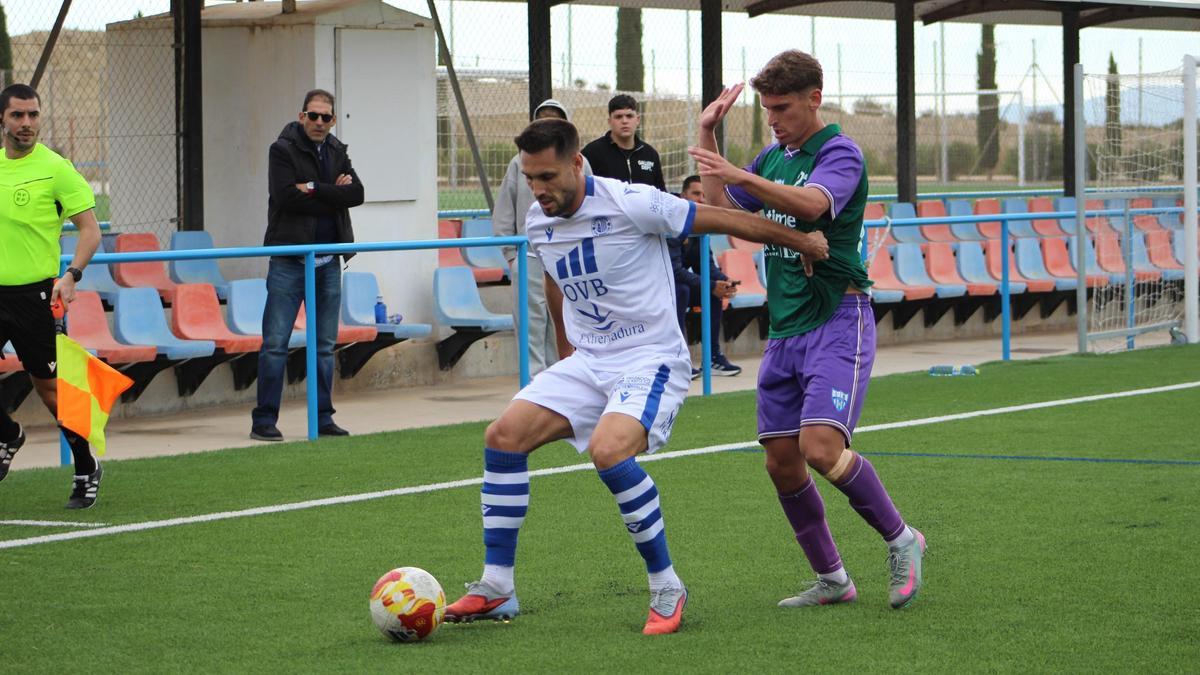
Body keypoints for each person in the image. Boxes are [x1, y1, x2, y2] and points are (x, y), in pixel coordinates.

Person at [444, 118, 829, 635]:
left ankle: (667, 586)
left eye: (548, 176)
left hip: (649, 359)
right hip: (588, 361)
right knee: (503, 438)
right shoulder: (539, 220)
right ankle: (497, 587)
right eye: (530, 178)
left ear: (577, 163)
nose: (539, 190)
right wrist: (565, 352)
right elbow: (557, 284)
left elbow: (719, 220)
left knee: (609, 450)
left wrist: (801, 240)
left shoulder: (633, 201)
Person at [688, 50, 926, 610]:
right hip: (785, 328)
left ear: (814, 99)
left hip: (839, 320)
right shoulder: (773, 156)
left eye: (783, 108)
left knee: (820, 447)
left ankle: (902, 539)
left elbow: (812, 204)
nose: (773, 119)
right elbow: (723, 205)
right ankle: (833, 580)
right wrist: (707, 133)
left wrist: (742, 173)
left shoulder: (839, 152)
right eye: (767, 109)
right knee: (781, 459)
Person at [0, 83, 104, 508]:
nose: (26, 123)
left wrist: (72, 274)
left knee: (51, 392)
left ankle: (85, 466)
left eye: (33, 115)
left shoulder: (56, 168)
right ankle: (9, 435)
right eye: (17, 116)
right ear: (2, 119)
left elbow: (90, 229)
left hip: (34, 297)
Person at [252, 89, 363, 442]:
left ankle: (323, 417)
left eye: (325, 117)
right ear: (302, 116)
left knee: (325, 344)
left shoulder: (336, 150)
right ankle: (264, 420)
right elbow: (286, 197)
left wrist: (315, 188)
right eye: (312, 116)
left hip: (329, 262)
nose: (319, 122)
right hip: (289, 260)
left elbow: (356, 194)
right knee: (275, 343)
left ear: (332, 119)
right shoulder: (282, 149)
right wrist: (333, 194)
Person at [492, 99, 592, 375]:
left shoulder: (580, 163)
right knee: (530, 322)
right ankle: (534, 383)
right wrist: (512, 256)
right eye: (542, 119)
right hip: (530, 255)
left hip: (567, 255)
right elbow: (504, 211)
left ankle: (561, 377)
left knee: (563, 320)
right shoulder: (518, 163)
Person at [669, 176, 741, 378]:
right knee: (682, 290)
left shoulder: (699, 225)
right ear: (683, 196)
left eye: (704, 195)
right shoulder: (670, 221)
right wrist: (711, 284)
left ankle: (712, 357)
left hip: (679, 285)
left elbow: (706, 265)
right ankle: (679, 361)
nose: (701, 199)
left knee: (712, 293)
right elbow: (674, 271)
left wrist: (725, 281)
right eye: (695, 193)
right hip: (656, 288)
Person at [581, 94, 665, 191]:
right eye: (618, 117)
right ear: (609, 121)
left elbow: (661, 193)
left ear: (637, 120)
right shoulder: (592, 152)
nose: (624, 121)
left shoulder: (650, 154)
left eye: (629, 116)